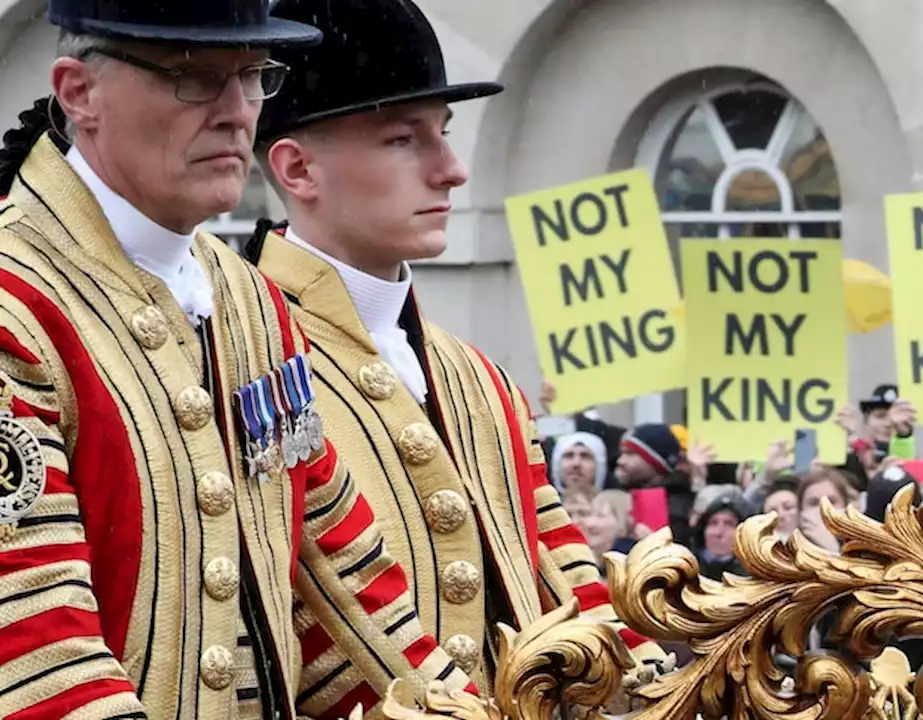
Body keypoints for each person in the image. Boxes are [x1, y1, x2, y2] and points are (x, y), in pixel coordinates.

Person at [0, 2, 457, 718]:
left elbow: (342, 583)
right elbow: (33, 641)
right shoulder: (14, 299)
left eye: (251, 76)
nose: (235, 112)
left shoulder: (250, 301)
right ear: (78, 92)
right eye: (193, 78)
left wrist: (459, 708)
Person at [245, 0, 668, 698]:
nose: (452, 169)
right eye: (403, 140)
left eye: (441, 133)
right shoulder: (246, 363)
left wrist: (657, 683)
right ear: (297, 170)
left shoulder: (479, 379)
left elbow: (566, 577)